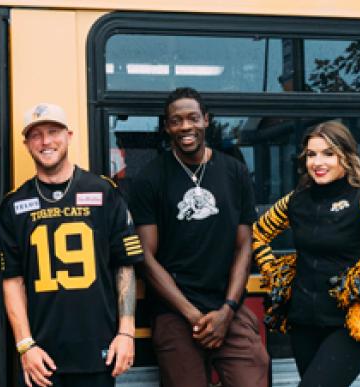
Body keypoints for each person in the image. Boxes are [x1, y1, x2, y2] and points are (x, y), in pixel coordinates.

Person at [252, 121, 360, 387]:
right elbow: (258, 234)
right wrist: (275, 275)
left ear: (346, 156)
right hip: (302, 323)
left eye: (328, 153)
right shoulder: (295, 201)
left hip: (348, 325)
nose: (318, 162)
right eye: (311, 154)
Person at [126, 87, 269, 386]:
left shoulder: (236, 172)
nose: (185, 127)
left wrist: (227, 311)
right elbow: (146, 257)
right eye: (176, 121)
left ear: (206, 120)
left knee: (254, 373)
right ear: (167, 127)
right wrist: (192, 315)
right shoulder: (149, 179)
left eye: (193, 118)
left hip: (227, 305)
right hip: (175, 311)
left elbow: (245, 246)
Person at [0, 103, 141, 386]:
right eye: (36, 135)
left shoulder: (103, 192)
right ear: (26, 143)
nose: (46, 141)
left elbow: (124, 266)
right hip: (42, 358)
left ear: (69, 136)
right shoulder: (13, 205)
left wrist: (126, 333)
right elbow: (12, 280)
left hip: (99, 350)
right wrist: (25, 345)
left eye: (53, 132)